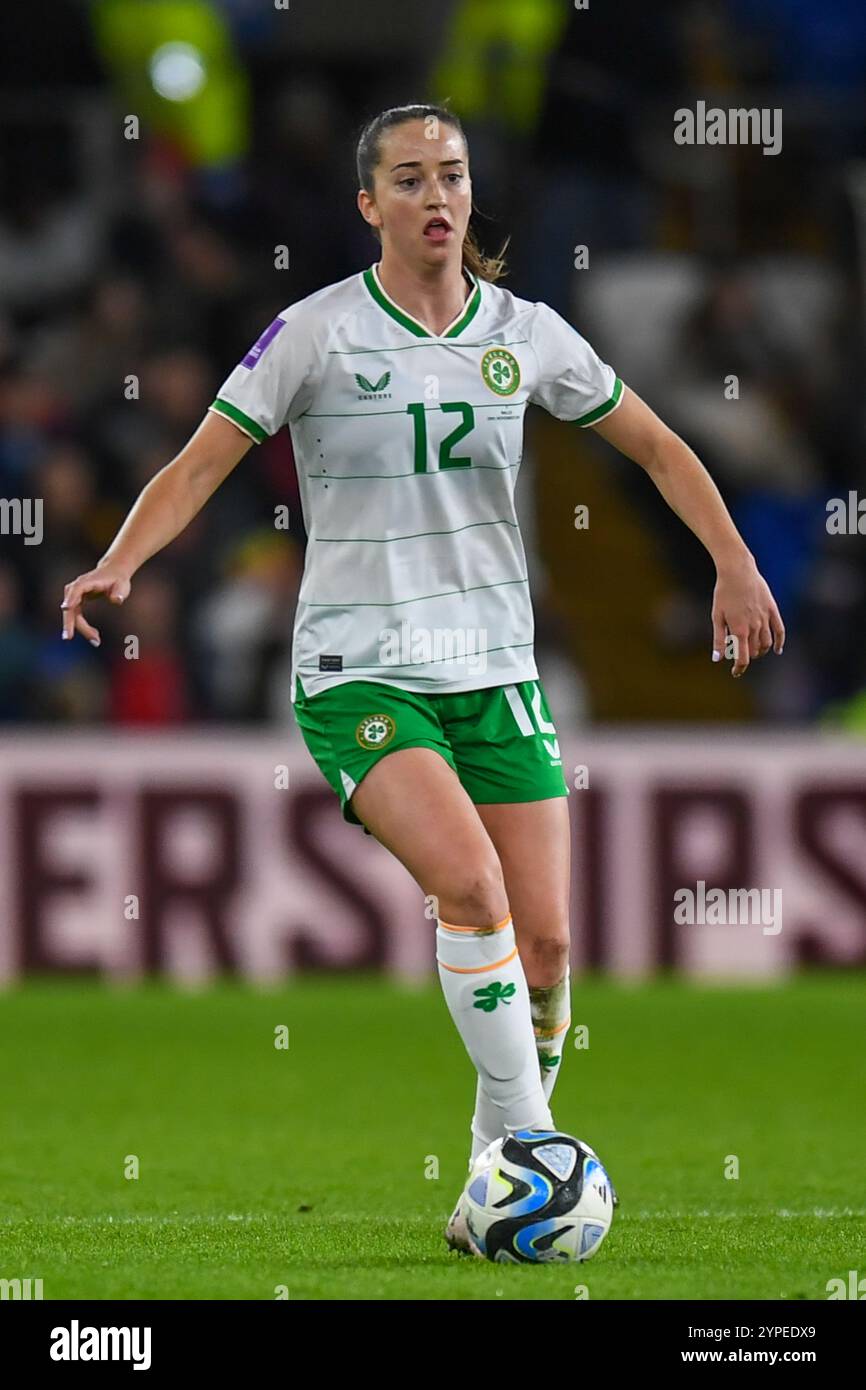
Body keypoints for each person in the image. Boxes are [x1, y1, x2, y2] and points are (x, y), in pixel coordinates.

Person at [60, 102, 785, 1255]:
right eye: (408, 179)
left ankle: (486, 1186)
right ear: (368, 205)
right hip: (359, 670)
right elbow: (202, 459)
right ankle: (539, 1162)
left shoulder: (527, 332)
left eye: (449, 176)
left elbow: (652, 443)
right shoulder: (315, 332)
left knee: (544, 950)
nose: (435, 198)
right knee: (471, 889)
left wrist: (733, 561)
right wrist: (118, 562)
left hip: (493, 668)